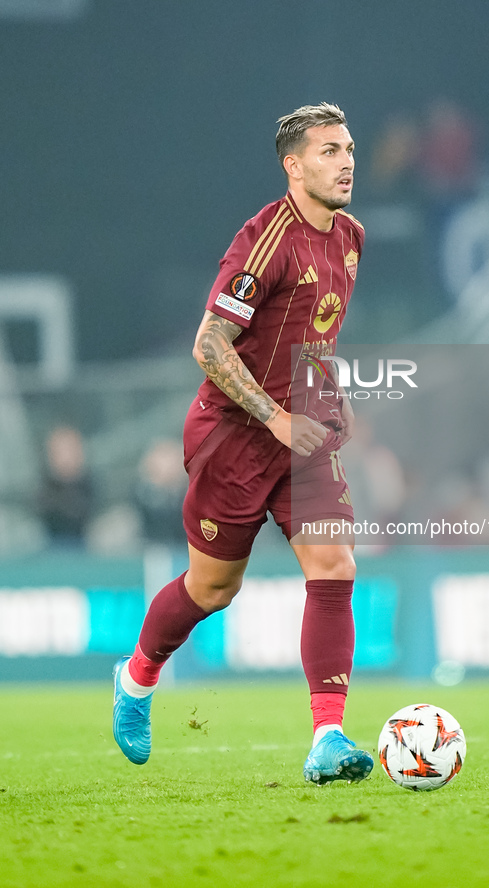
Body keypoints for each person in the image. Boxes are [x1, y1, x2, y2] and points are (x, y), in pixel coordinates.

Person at [113, 103, 374, 785]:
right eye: (326, 151)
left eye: (347, 147)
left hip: (303, 431)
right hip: (233, 433)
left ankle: (328, 736)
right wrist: (273, 417)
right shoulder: (266, 241)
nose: (345, 161)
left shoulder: (350, 236)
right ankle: (137, 678)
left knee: (334, 565)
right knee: (213, 587)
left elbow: (311, 332)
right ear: (292, 165)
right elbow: (209, 343)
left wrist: (325, 392)